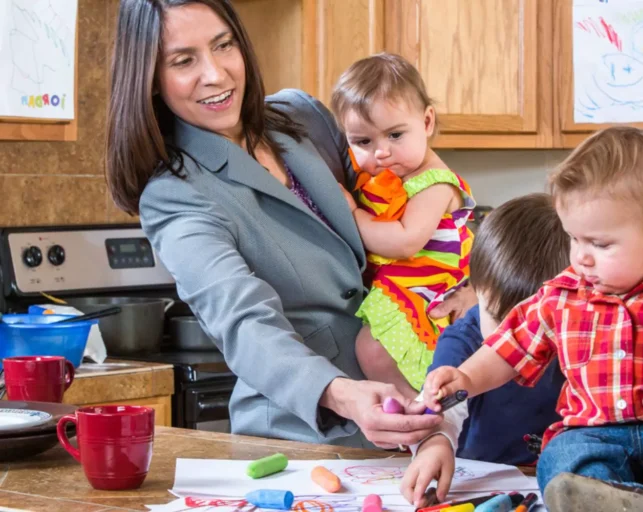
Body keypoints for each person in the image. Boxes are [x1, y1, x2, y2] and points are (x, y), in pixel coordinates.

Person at [105, 0, 484, 448]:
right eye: (184, 61)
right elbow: (245, 324)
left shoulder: (302, 116)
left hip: (412, 398)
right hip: (306, 435)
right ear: (151, 79)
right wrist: (342, 394)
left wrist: (472, 285)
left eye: (223, 45)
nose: (215, 74)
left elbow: (410, 184)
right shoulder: (175, 194)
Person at [423, 126, 643, 512]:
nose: (581, 257)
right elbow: (508, 350)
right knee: (564, 455)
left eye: (599, 244)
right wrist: (467, 378)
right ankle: (615, 503)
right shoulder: (560, 295)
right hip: (595, 436)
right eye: (575, 239)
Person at [401, 194, 569, 506]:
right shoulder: (461, 341)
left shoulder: (576, 336)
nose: (513, 338)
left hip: (556, 480)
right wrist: (434, 444)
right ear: (475, 287)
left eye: (536, 329)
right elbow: (440, 406)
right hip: (480, 482)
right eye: (497, 318)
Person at [330, 53, 475, 397]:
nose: (381, 152)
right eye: (363, 142)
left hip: (428, 291)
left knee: (373, 347)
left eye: (395, 134)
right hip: (403, 286)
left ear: (426, 122)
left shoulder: (434, 182)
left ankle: (418, 408)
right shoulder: (386, 177)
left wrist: (353, 214)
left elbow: (405, 241)